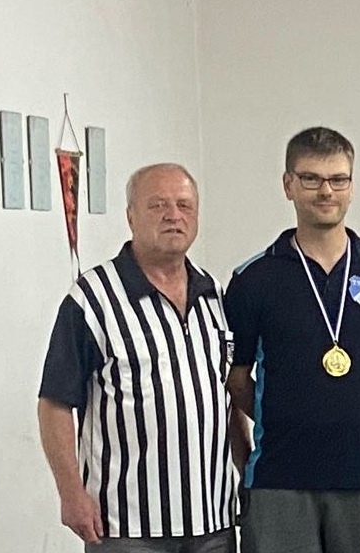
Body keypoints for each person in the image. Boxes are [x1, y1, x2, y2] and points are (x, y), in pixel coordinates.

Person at [224, 127, 360, 553]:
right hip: (279, 479)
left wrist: (357, 404)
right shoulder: (252, 279)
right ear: (288, 185)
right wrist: (282, 414)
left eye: (338, 179)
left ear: (351, 186)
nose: (326, 191)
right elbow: (236, 378)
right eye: (310, 179)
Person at [38, 163, 238, 552]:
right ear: (130, 217)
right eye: (158, 205)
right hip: (126, 525)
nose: (173, 215)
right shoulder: (92, 298)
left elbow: (225, 395)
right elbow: (54, 404)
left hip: (213, 521)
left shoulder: (213, 294)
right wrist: (70, 492)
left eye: (184, 205)